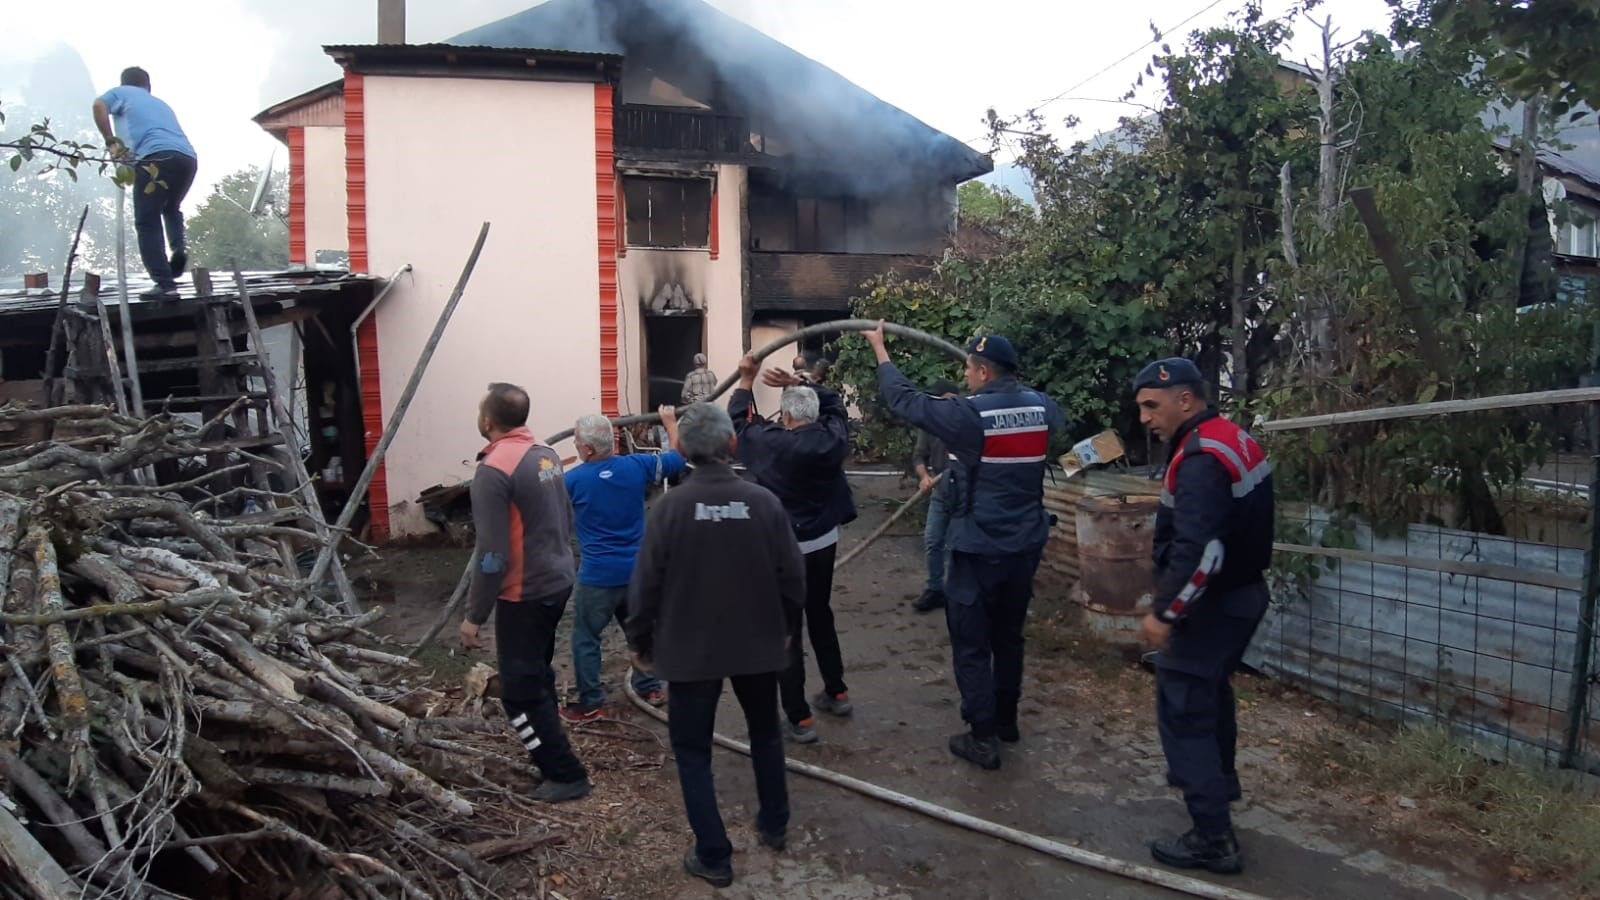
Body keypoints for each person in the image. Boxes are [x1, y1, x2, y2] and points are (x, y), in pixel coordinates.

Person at [862, 324, 1064, 770]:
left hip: (979, 548)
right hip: (1025, 546)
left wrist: (880, 349)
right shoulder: (1042, 406)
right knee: (1009, 637)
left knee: (972, 643)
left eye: (969, 370)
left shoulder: (971, 415)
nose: (966, 377)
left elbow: (904, 400)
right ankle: (1007, 721)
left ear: (984, 372)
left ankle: (983, 737)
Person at [627, 402, 804, 888]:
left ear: (681, 448)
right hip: (757, 644)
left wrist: (639, 641)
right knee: (765, 734)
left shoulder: (669, 509)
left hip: (690, 651)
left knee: (692, 751)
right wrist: (787, 627)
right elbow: (793, 576)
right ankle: (775, 823)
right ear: (732, 443)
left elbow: (644, 586)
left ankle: (714, 855)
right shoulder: (763, 502)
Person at [1133, 358, 1273, 875]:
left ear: (1185, 400)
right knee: (1210, 692)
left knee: (1184, 709)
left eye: (1152, 406)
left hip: (1213, 605)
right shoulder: (1228, 436)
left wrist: (1166, 614)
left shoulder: (1199, 460)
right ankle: (1220, 783)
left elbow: (1201, 552)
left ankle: (1213, 838)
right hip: (1243, 595)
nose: (1145, 418)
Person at [458, 383, 592, 803]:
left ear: (487, 421)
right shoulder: (545, 454)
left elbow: (492, 554)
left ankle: (564, 774)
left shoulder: (494, 470)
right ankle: (555, 748)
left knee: (517, 694)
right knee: (537, 672)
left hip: (525, 592)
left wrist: (474, 615)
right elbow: (566, 516)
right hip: (558, 580)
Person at [728, 354, 856, 743]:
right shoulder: (833, 438)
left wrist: (746, 380)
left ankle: (799, 718)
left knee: (787, 628)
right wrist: (800, 383)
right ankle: (837, 691)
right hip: (824, 542)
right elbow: (835, 405)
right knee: (820, 612)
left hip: (784, 550)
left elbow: (737, 425)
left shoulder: (771, 444)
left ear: (784, 416)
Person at [560, 408, 688, 720]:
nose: (574, 444)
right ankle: (651, 686)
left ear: (588, 449)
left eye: (576, 441)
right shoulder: (637, 466)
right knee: (640, 630)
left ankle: (591, 701)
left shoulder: (571, 481)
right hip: (636, 572)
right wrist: (670, 422)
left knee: (586, 638)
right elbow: (678, 457)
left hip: (598, 576)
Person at [92, 67, 197, 301]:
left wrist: (112, 144)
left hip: (154, 158)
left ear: (125, 83)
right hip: (187, 159)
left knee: (146, 220)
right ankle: (178, 249)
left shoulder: (121, 93)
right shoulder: (160, 103)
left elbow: (98, 105)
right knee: (170, 207)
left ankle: (165, 284)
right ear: (148, 86)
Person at [912, 378, 960, 613]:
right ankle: (935, 589)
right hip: (940, 491)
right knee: (933, 540)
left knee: (956, 545)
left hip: (962, 492)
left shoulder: (967, 421)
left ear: (951, 398)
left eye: (938, 399)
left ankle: (956, 592)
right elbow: (919, 456)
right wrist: (924, 477)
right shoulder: (930, 425)